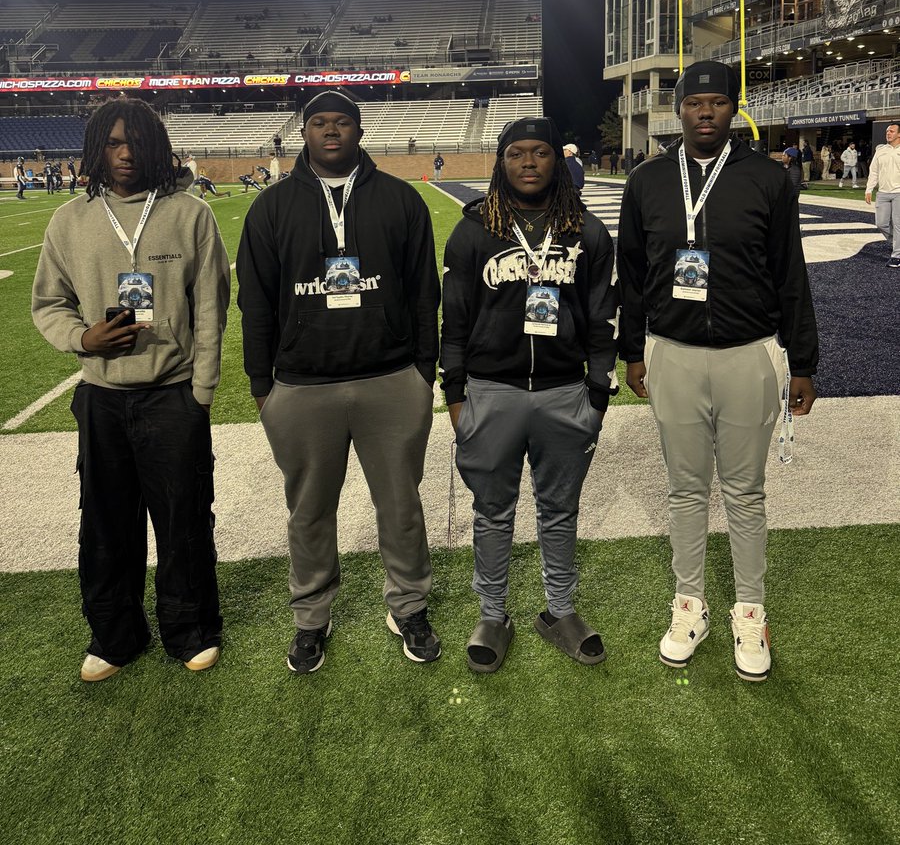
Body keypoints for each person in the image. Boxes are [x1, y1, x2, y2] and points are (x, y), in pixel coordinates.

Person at [617, 60, 818, 683]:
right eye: (695, 104)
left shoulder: (767, 178)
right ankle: (689, 605)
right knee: (683, 488)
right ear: (678, 111)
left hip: (748, 352)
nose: (706, 113)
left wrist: (802, 360)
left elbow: (790, 274)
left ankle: (751, 610)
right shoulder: (647, 179)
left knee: (744, 490)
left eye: (717, 103)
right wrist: (631, 350)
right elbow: (630, 275)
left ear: (734, 109)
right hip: (672, 351)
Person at [236, 88, 441, 675]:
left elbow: (424, 293)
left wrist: (422, 373)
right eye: (320, 123)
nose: (332, 131)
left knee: (401, 507)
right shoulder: (271, 208)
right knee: (308, 511)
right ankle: (311, 618)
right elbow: (256, 304)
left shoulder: (400, 200)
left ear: (358, 130)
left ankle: (408, 606)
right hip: (302, 386)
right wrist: (262, 383)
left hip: (391, 378)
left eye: (343, 122)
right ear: (304, 133)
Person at [31, 99, 230, 682]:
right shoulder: (68, 221)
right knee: (105, 519)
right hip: (101, 396)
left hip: (172, 393)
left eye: (135, 142)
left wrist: (202, 390)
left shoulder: (190, 214)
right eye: (113, 143)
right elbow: (47, 303)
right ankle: (114, 635)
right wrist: (82, 339)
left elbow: (212, 306)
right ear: (96, 149)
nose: (125, 154)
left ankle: (189, 629)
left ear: (155, 147)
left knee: (184, 517)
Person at [441, 116, 618, 672]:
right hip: (491, 391)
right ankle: (493, 614)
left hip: (565, 392)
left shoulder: (585, 230)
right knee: (493, 510)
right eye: (516, 153)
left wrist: (598, 390)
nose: (528, 163)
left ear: (555, 160)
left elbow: (601, 317)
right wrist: (455, 392)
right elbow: (454, 320)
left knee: (559, 509)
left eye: (539, 152)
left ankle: (559, 610)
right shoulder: (474, 230)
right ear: (500, 161)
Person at [865, 121, 900, 268]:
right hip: (883, 193)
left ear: (899, 134)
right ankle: (897, 244)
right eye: (887, 131)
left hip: (899, 192)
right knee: (880, 223)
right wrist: (869, 189)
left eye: (891, 131)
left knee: (898, 225)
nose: (888, 133)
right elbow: (874, 171)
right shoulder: (881, 150)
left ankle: (896, 255)